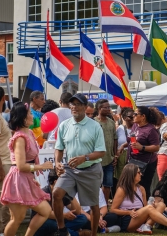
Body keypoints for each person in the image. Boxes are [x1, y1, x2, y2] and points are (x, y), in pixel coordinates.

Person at [53, 93, 106, 236]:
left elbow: (101, 152)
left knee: (94, 205)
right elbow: (59, 148)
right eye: (72, 104)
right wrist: (57, 162)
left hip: (91, 170)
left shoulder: (95, 126)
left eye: (77, 104)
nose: (74, 107)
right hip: (70, 169)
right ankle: (62, 229)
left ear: (84, 106)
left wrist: (85, 157)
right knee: (56, 194)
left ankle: (94, 234)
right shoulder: (64, 125)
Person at [0, 102, 54, 236]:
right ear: (23, 118)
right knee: (17, 218)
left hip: (26, 179)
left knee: (45, 211)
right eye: (30, 113)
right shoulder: (20, 138)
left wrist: (32, 177)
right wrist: (42, 166)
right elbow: (21, 165)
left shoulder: (28, 132)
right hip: (17, 180)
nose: (32, 116)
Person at [109, 164, 167, 235]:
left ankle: (147, 226)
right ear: (131, 174)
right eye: (138, 172)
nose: (141, 174)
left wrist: (152, 206)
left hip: (140, 216)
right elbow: (113, 209)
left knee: (161, 205)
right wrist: (129, 212)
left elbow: (145, 207)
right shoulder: (122, 189)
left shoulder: (141, 189)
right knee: (149, 208)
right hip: (128, 219)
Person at [34, 170, 89, 236]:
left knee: (82, 218)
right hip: (44, 222)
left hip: (58, 221)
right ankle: (77, 234)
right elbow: (47, 213)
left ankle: (58, 233)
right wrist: (64, 215)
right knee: (53, 225)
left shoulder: (62, 193)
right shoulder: (44, 192)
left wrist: (70, 193)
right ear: (56, 182)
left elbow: (77, 211)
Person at [129, 106, 161, 198]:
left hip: (145, 164)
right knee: (133, 186)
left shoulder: (151, 130)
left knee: (143, 187)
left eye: (135, 114)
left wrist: (142, 147)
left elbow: (156, 147)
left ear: (143, 116)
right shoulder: (135, 126)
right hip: (133, 160)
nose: (133, 116)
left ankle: (145, 208)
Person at [95, 99, 118, 203]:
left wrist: (115, 155)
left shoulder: (112, 123)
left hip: (109, 159)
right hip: (96, 160)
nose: (109, 109)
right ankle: (96, 206)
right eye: (106, 107)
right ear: (99, 109)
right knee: (96, 185)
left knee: (108, 184)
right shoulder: (93, 122)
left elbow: (115, 139)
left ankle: (104, 205)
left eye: (109, 107)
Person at [0, 86, 11, 234]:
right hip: (2, 163)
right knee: (2, 200)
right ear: (3, 99)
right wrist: (0, 167)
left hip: (4, 162)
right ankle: (1, 231)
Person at [115, 108, 133, 180]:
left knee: (131, 177)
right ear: (125, 118)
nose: (133, 119)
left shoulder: (137, 129)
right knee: (121, 177)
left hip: (133, 154)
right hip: (121, 155)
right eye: (131, 117)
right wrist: (116, 155)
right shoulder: (120, 128)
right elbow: (115, 142)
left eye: (134, 116)